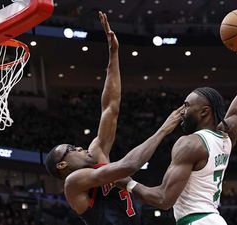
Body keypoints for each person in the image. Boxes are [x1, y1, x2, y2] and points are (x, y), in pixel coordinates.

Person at [116, 12, 237, 225]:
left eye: (187, 105)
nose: (182, 110)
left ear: (204, 112)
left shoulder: (189, 144)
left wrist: (127, 183)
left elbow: (163, 199)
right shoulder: (227, 134)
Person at [45, 12, 183, 225]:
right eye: (72, 148)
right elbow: (130, 166)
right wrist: (163, 130)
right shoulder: (73, 183)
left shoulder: (97, 152)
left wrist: (114, 54)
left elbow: (110, 107)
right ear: (62, 165)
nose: (80, 148)